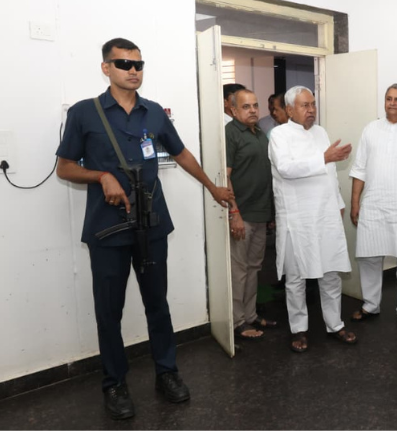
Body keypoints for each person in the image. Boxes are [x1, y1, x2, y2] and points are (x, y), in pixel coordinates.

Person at [55, 38, 234, 420]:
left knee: (158, 304)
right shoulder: (85, 113)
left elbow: (181, 153)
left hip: (151, 224)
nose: (133, 70)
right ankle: (114, 383)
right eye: (123, 64)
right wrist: (101, 175)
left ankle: (167, 372)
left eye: (138, 64)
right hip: (107, 229)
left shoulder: (153, 112)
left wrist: (212, 186)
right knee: (109, 310)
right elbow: (64, 168)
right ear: (106, 68)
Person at [268, 85, 358, 353]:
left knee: (330, 274)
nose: (311, 110)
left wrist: (338, 202)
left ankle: (335, 324)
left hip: (325, 215)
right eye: (305, 105)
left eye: (313, 104)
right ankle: (299, 329)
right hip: (297, 218)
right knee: (296, 278)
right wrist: (324, 157)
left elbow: (329, 172)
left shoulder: (321, 132)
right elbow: (285, 169)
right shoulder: (279, 135)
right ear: (289, 110)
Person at [349, 84, 397, 328]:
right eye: (388, 99)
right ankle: (370, 304)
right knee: (370, 257)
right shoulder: (371, 129)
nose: (392, 103)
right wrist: (355, 202)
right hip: (373, 203)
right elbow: (359, 168)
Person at [225, 89, 277, 341]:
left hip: (260, 213)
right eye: (246, 107)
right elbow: (225, 176)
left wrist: (271, 212)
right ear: (233, 110)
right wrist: (234, 212)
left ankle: (251, 314)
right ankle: (238, 322)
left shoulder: (260, 134)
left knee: (254, 268)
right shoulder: (230, 133)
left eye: (255, 105)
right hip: (242, 214)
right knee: (239, 271)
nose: (253, 110)